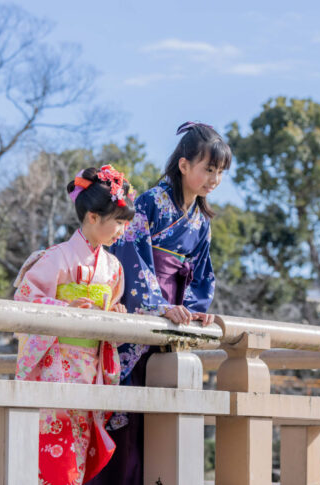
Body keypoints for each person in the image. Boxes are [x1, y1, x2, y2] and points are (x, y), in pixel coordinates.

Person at [87, 122, 231, 485]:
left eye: (220, 172)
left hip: (175, 316)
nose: (214, 179)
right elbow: (131, 255)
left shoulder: (201, 221)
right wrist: (157, 305)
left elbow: (202, 274)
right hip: (144, 310)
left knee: (163, 422)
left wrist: (194, 310)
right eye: (208, 169)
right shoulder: (151, 202)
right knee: (129, 416)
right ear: (184, 165)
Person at [14, 164, 136, 485]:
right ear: (93, 217)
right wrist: (63, 309)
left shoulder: (113, 267)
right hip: (55, 366)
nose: (122, 230)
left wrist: (114, 313)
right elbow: (24, 300)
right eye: (118, 222)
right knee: (55, 458)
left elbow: (109, 311)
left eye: (125, 223)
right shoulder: (55, 257)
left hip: (90, 370)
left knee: (77, 458)